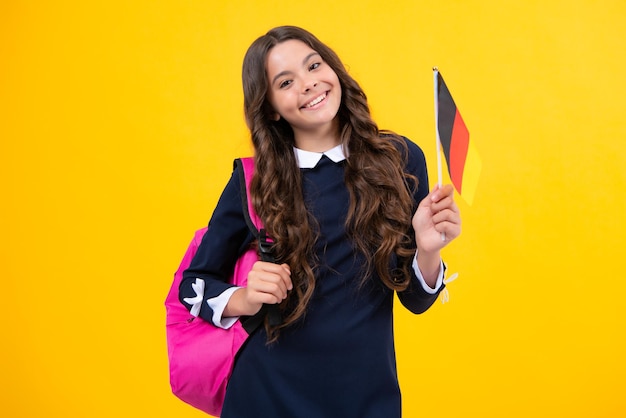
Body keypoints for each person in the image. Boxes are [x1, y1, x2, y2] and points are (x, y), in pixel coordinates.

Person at [180, 25, 461, 417]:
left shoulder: (400, 160)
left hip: (366, 399)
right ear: (272, 107)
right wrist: (244, 297)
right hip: (265, 397)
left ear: (334, 69)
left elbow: (416, 300)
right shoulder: (254, 181)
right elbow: (192, 287)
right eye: (286, 81)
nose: (309, 84)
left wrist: (428, 250)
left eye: (314, 65)